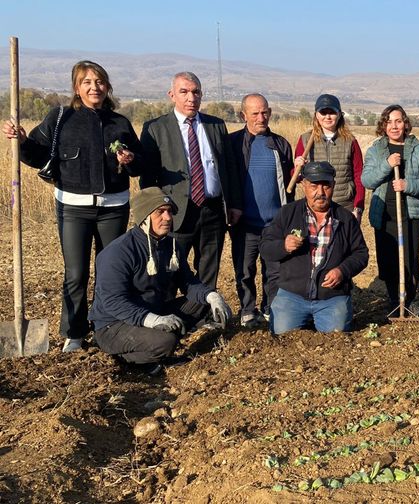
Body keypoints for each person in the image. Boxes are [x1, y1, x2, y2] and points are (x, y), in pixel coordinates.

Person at [2, 60, 143, 353]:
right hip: (73, 207)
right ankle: (74, 333)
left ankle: (107, 325)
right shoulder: (61, 118)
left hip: (114, 206)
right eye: (87, 82)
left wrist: (129, 161)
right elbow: (37, 155)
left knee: (110, 271)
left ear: (107, 86)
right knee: (76, 272)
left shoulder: (120, 123)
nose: (95, 87)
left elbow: (139, 165)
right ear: (77, 88)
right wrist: (23, 141)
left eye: (100, 81)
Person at [89, 187, 232, 376]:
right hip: (114, 324)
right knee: (166, 342)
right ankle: (128, 358)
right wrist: (152, 320)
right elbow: (113, 302)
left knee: (201, 302)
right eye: (160, 212)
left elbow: (187, 282)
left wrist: (212, 296)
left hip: (153, 310)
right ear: (144, 216)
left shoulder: (171, 245)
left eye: (170, 212)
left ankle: (158, 338)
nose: (168, 217)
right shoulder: (118, 252)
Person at [140, 71, 242, 292]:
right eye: (184, 92)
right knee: (170, 265)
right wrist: (154, 211)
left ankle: (203, 313)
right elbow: (147, 176)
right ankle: (167, 314)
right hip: (175, 211)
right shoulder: (156, 128)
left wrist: (233, 204)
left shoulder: (216, 126)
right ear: (172, 95)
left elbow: (229, 168)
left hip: (212, 210)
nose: (191, 98)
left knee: (208, 267)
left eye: (195, 92)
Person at [261, 162, 369, 333]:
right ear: (304, 185)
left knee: (337, 336)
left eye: (326, 186)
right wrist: (283, 246)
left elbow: (361, 254)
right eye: (314, 186)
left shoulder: (346, 219)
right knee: (282, 337)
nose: (320, 192)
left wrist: (342, 271)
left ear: (333, 185)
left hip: (332, 297)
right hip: (292, 295)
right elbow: (265, 248)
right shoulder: (287, 213)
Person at [361, 105, 419, 316]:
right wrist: (387, 164)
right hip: (385, 214)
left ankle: (409, 301)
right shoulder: (377, 150)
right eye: (389, 122)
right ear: (383, 125)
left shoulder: (417, 147)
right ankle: (394, 300)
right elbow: (367, 180)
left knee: (410, 258)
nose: (394, 126)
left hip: (410, 213)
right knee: (389, 259)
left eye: (398, 121)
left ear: (405, 123)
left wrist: (407, 185)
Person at [228, 93, 293, 328]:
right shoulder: (233, 143)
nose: (260, 117)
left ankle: (269, 308)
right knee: (245, 270)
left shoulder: (280, 144)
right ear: (243, 115)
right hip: (244, 223)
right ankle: (247, 310)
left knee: (274, 270)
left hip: (274, 223)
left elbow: (289, 185)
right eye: (254, 113)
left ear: (270, 113)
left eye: (264, 112)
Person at [294, 94, 365, 221]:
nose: (327, 116)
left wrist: (358, 208)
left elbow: (359, 176)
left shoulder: (350, 141)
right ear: (316, 115)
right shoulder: (305, 140)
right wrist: (297, 169)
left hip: (344, 206)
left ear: (339, 115)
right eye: (323, 112)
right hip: (315, 206)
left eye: (332, 112)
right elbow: (297, 178)